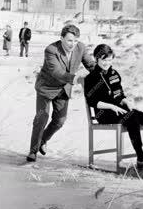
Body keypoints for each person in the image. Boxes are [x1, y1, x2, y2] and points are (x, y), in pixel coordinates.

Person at [84, 44, 143, 168]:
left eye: (109, 59)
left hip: (120, 110)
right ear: (97, 59)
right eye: (104, 60)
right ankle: (141, 158)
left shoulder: (114, 74)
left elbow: (119, 94)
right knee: (132, 118)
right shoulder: (91, 77)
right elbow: (92, 101)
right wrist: (112, 107)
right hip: (104, 113)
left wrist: (126, 101)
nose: (107, 63)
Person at [26, 24, 95, 162]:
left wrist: (102, 71)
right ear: (62, 38)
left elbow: (91, 65)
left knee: (60, 121)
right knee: (42, 118)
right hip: (46, 88)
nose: (73, 44)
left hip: (63, 89)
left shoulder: (80, 47)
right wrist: (75, 78)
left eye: (75, 41)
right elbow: (57, 72)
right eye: (69, 40)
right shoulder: (51, 50)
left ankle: (43, 140)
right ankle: (33, 151)